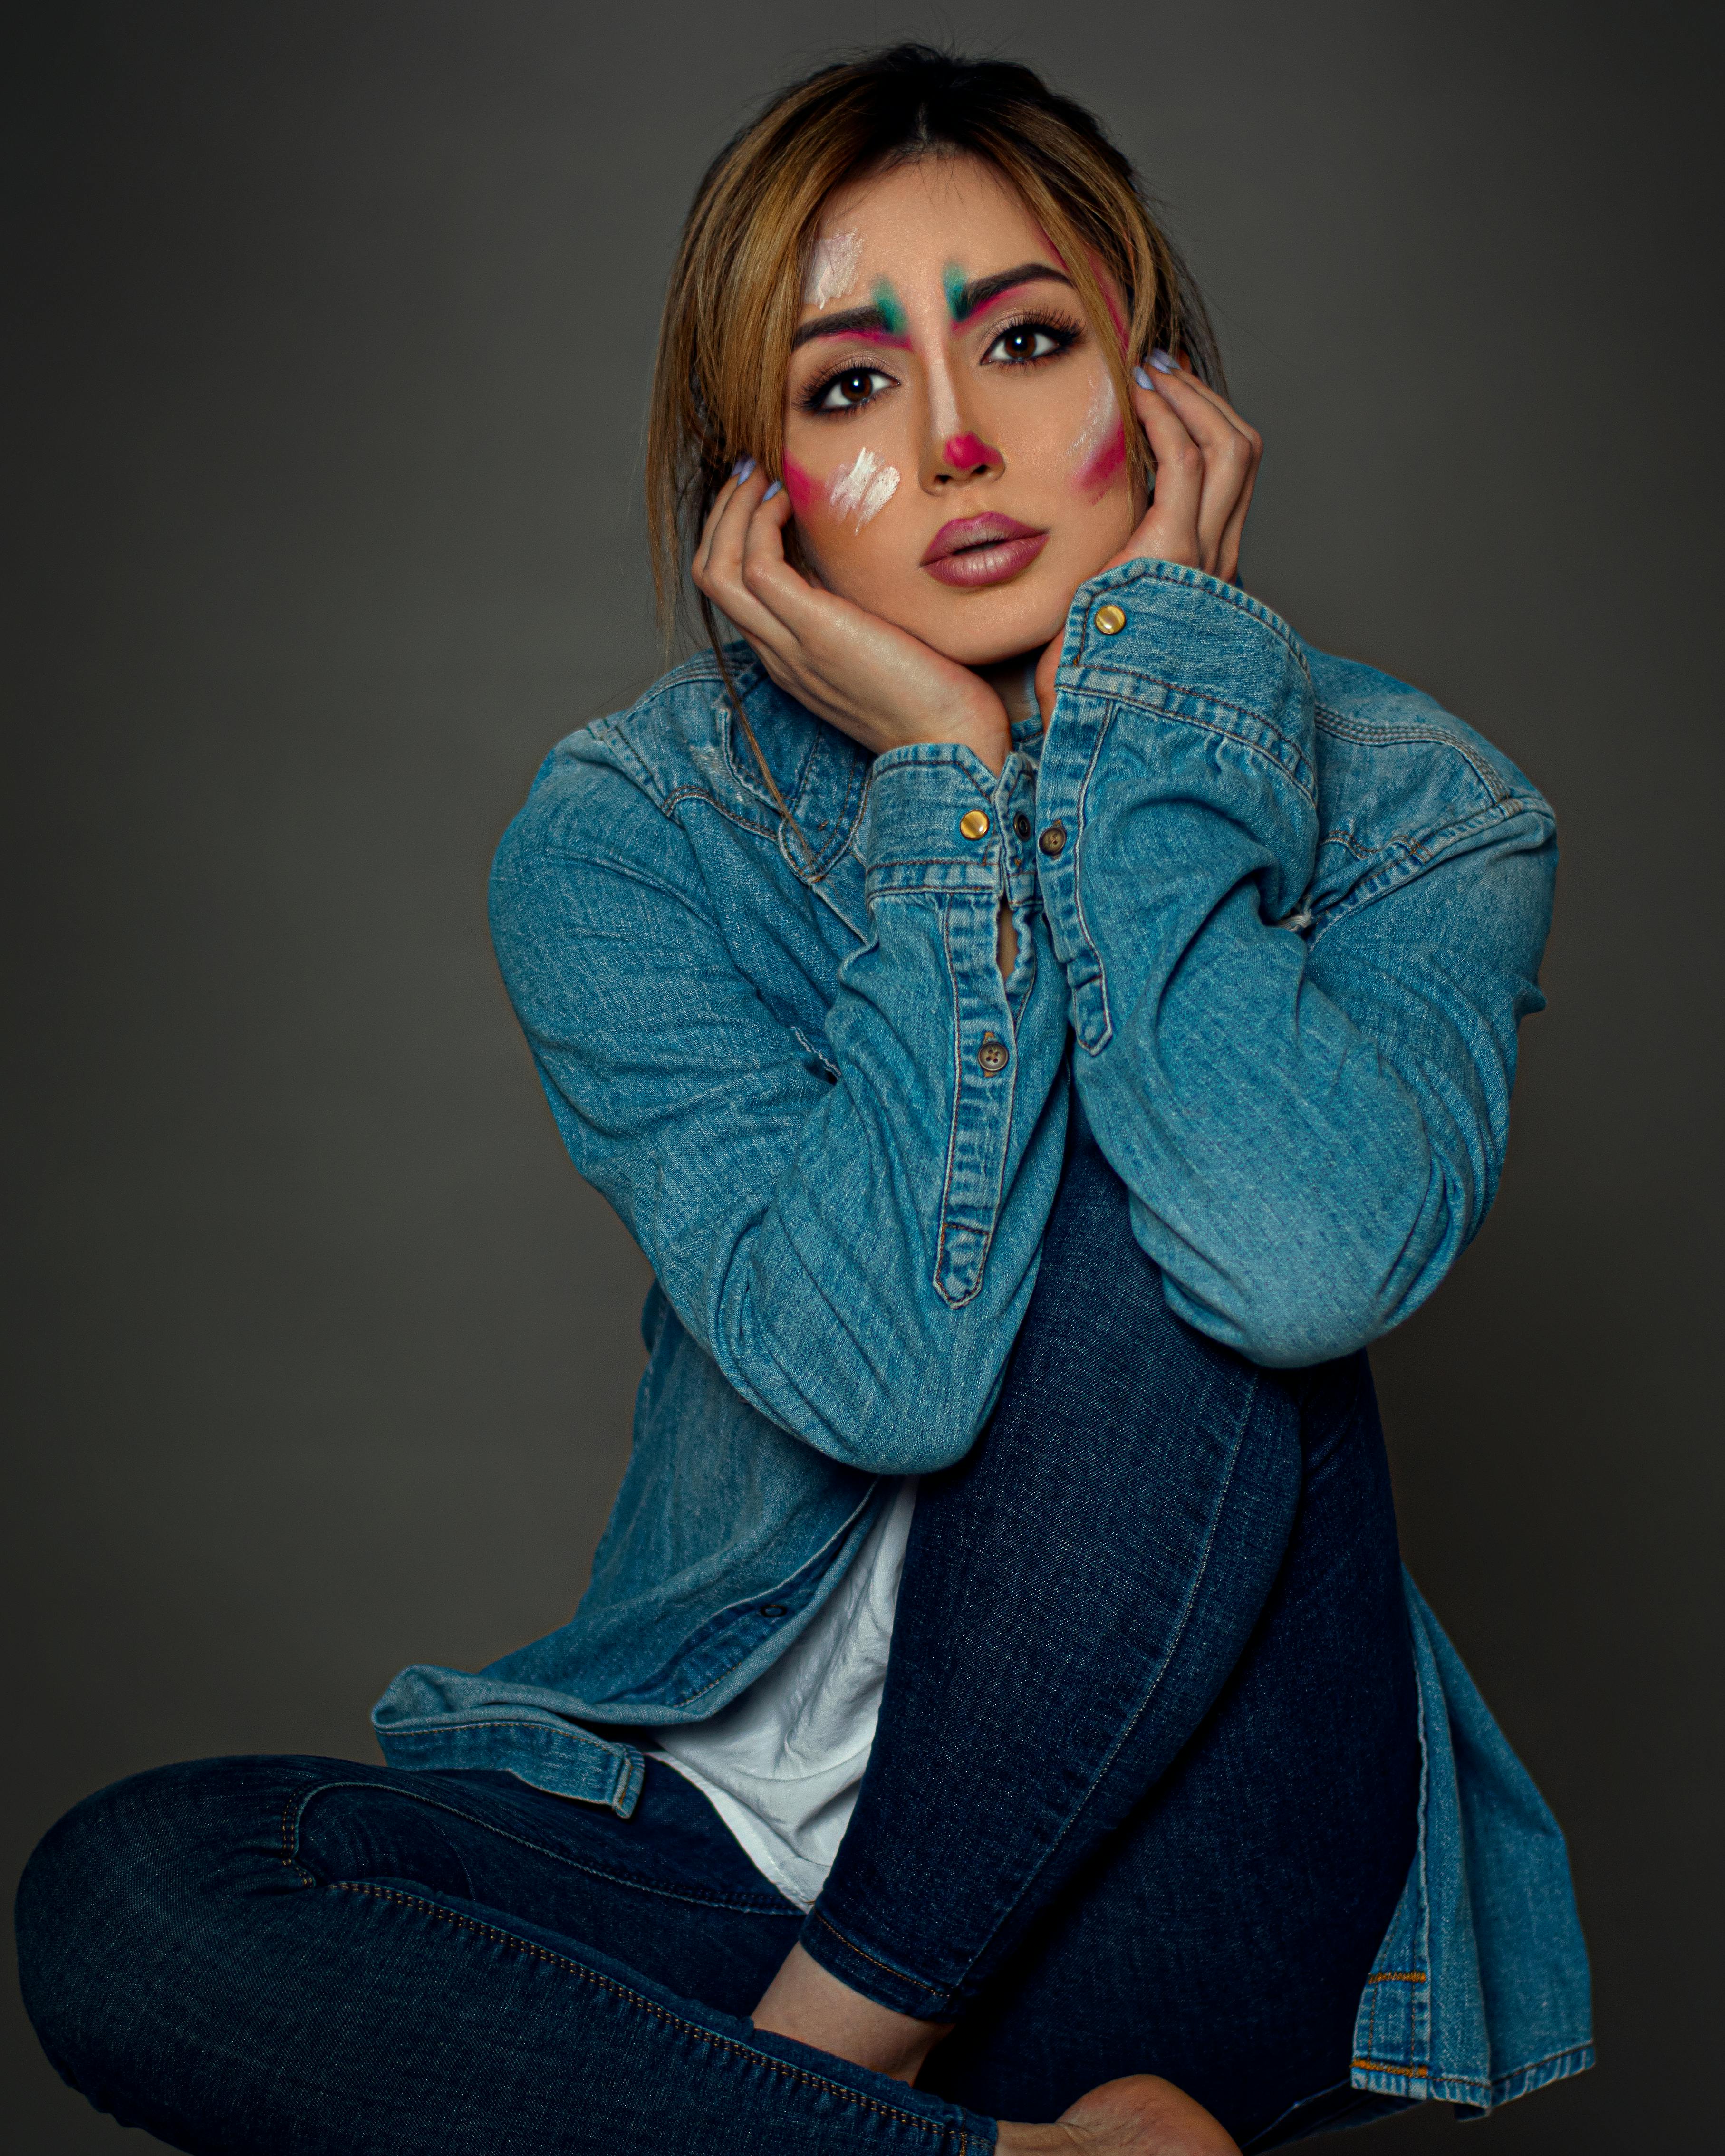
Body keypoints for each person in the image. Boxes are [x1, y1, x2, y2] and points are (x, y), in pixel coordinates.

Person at [16, 45, 1592, 2155]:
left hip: (1188, 1864)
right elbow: (885, 1379)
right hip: (718, 1856)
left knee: (1163, 1198)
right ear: (746, 480)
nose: (955, 442)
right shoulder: (629, 842)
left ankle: (814, 2091)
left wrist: (1141, 712)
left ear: (1169, 392)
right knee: (133, 1902)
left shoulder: (1414, 806)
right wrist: (943, 786)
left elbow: (1295, 1259)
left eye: (1030, 345)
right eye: (846, 387)